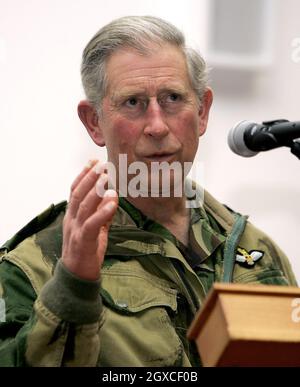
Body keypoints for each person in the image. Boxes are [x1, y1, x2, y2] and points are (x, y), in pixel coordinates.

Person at [0, 16, 297, 367]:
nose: (157, 126)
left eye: (173, 98)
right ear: (94, 122)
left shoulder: (254, 250)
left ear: (202, 112)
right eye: (133, 103)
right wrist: (74, 286)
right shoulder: (35, 264)